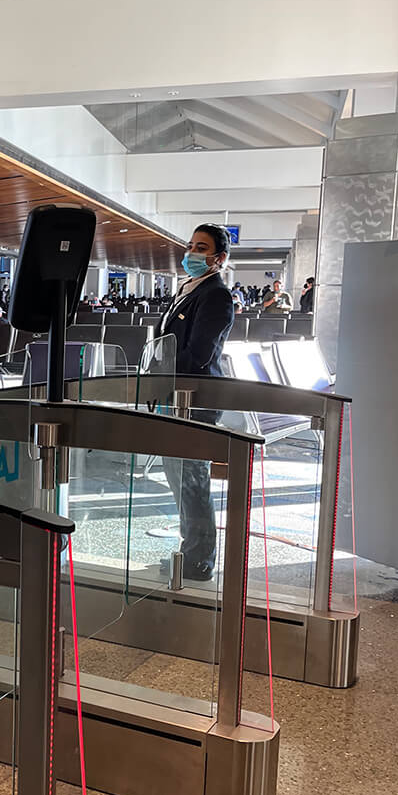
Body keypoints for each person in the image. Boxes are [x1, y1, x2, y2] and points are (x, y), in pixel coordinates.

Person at [158, 224, 234, 583]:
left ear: (218, 259)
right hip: (173, 397)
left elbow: (198, 354)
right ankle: (190, 548)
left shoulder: (216, 295)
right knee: (180, 480)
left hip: (195, 400)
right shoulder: (188, 290)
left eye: (201, 247)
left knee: (192, 481)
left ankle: (200, 559)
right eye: (190, 245)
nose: (191, 252)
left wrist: (161, 368)